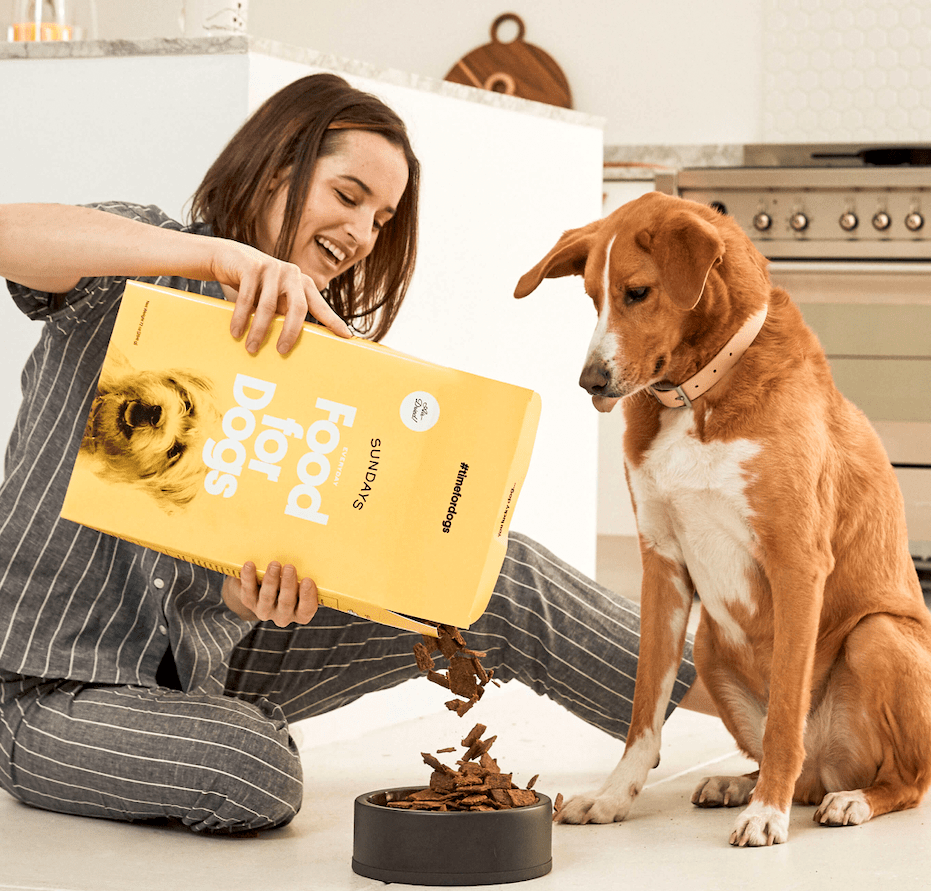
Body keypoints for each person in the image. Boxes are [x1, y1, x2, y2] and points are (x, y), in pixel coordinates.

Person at [0, 72, 703, 834]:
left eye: (382, 217)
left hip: (206, 666)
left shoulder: (312, 360)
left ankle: (765, 706)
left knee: (498, 578)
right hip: (46, 683)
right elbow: (9, 235)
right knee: (253, 769)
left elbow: (215, 588)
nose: (365, 233)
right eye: (349, 195)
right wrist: (218, 259)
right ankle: (177, 740)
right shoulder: (142, 265)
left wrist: (250, 598)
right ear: (279, 169)